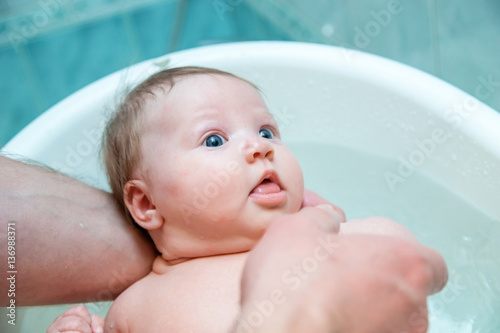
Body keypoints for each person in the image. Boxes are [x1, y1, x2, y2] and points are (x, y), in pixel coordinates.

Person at [45, 66, 446, 333]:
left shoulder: (337, 240)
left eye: (268, 131)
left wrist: (361, 231)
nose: (259, 146)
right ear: (147, 205)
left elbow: (419, 277)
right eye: (214, 139)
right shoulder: (134, 307)